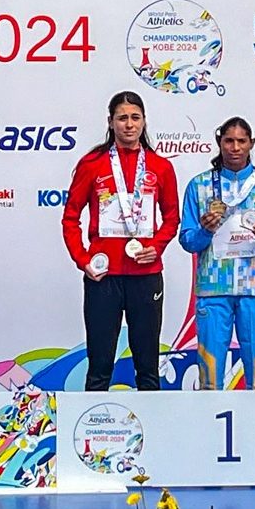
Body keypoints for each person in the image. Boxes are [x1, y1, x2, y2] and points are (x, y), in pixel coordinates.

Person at [62, 91, 179, 391]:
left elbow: (171, 218)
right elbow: (70, 217)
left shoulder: (160, 166)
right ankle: (90, 431)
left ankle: (154, 433)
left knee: (148, 367)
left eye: (135, 117)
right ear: (111, 122)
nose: (129, 124)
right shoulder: (92, 164)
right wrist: (83, 260)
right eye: (122, 118)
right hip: (104, 277)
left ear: (144, 121)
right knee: (100, 367)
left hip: (146, 276)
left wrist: (157, 247)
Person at [179, 117, 255, 390]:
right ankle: (209, 424)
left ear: (251, 143)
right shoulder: (199, 186)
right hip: (212, 287)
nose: (235, 147)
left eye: (242, 141)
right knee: (210, 374)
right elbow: (187, 240)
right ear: (219, 143)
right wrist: (204, 231)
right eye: (229, 141)